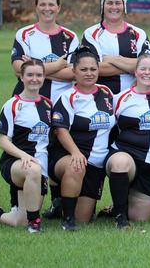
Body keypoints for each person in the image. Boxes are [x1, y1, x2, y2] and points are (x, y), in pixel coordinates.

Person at [10, 0, 79, 220]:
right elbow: (18, 69)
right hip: (28, 102)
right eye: (43, 4)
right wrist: (55, 65)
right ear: (36, 6)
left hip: (59, 103)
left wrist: (36, 71)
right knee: (26, 148)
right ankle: (16, 205)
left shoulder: (70, 36)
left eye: (52, 4)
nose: (47, 8)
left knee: (56, 149)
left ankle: (58, 202)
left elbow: (73, 73)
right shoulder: (25, 33)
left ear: (59, 7)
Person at [47, 46, 115, 231]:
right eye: (83, 69)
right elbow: (60, 130)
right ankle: (67, 220)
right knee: (75, 166)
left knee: (84, 218)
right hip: (70, 156)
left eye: (93, 69)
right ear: (74, 72)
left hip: (96, 164)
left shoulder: (107, 93)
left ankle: (63, 203)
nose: (89, 73)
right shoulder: (67, 97)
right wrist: (75, 153)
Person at [105, 53, 150, 228]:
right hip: (127, 156)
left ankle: (119, 204)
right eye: (142, 69)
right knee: (120, 163)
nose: (147, 73)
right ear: (135, 72)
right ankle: (120, 218)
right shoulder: (119, 98)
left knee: (141, 218)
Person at [0, 59, 50, 233]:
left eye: (39, 75)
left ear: (44, 77)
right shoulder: (12, 105)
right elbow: (3, 140)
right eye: (30, 75)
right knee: (32, 170)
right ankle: (35, 224)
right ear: (22, 77)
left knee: (19, 220)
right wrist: (23, 155)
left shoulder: (48, 104)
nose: (35, 79)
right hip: (15, 163)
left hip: (40, 166)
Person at [82, 0, 150, 94]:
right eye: (109, 3)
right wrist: (133, 67)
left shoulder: (139, 34)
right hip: (100, 97)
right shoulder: (91, 34)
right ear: (102, 6)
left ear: (124, 6)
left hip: (133, 98)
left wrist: (112, 59)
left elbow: (149, 65)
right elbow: (94, 68)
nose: (114, 7)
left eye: (118, 3)